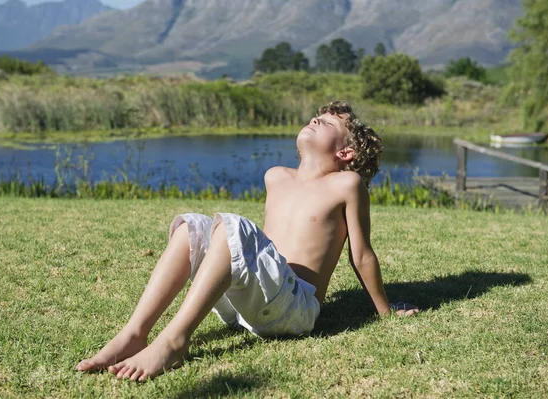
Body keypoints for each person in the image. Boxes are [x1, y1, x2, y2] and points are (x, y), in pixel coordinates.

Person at [76, 100, 418, 382]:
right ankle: (135, 333)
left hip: (294, 307)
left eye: (328, 123)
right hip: (251, 304)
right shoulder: (276, 177)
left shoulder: (346, 185)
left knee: (232, 226)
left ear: (346, 153)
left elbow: (361, 256)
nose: (316, 119)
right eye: (317, 116)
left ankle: (175, 341)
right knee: (192, 227)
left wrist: (385, 312)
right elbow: (256, 253)